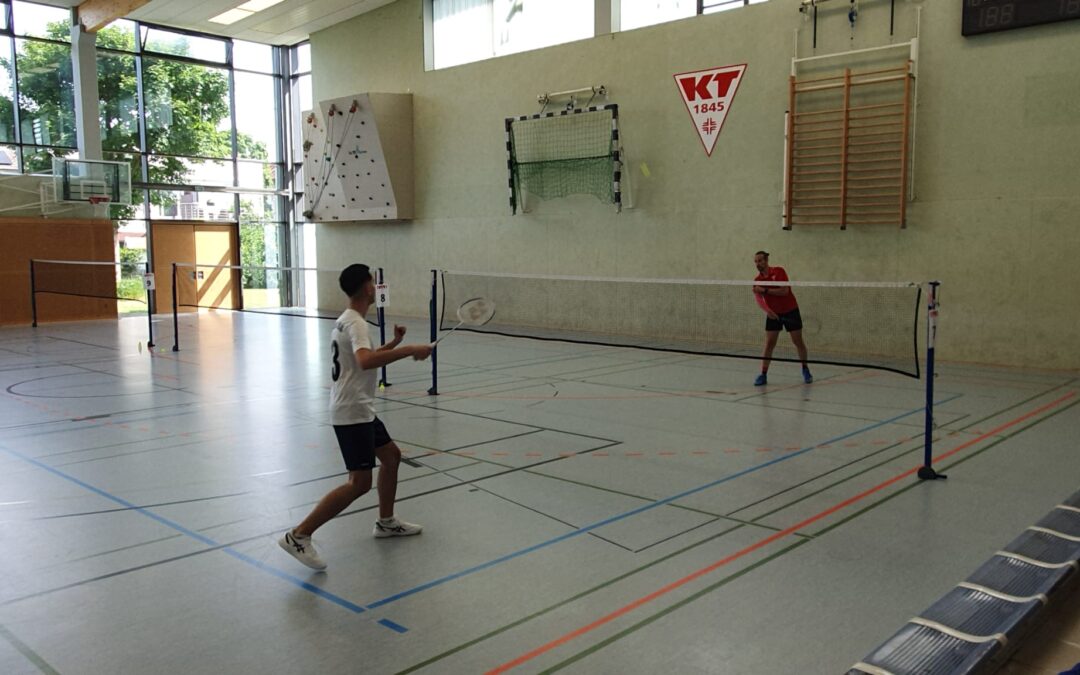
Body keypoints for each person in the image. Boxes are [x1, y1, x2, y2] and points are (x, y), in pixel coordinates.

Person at [279, 263, 432, 570]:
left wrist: (393, 345)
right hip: (352, 411)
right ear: (365, 287)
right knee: (359, 482)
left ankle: (386, 522)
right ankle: (299, 535)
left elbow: (357, 361)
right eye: (373, 283)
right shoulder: (357, 323)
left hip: (360, 407)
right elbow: (364, 361)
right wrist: (410, 349)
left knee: (391, 457)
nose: (375, 287)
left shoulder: (348, 320)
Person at [752, 251, 812, 386]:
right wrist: (768, 311)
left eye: (760, 261)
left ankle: (805, 369)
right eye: (755, 261)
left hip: (791, 311)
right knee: (769, 344)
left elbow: (785, 291)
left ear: (766, 260)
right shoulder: (757, 280)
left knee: (797, 341)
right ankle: (763, 374)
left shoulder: (779, 271)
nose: (758, 264)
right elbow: (758, 298)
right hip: (773, 314)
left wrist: (765, 290)